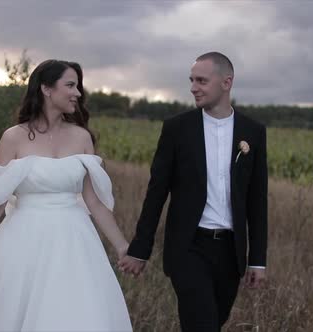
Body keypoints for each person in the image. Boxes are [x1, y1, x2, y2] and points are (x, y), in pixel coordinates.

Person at [0, 59, 133, 331]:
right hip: (23, 239)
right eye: (70, 85)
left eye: (78, 86)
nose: (78, 93)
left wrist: (122, 247)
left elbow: (93, 201)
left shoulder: (82, 137)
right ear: (46, 89)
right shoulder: (13, 138)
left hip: (74, 241)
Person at [118, 52, 268, 331]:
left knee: (213, 321)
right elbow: (156, 192)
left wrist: (257, 260)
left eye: (201, 80)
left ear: (226, 82)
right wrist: (140, 249)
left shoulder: (253, 132)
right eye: (191, 80)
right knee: (201, 324)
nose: (193, 87)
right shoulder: (177, 128)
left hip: (230, 252)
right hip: (188, 247)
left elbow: (257, 201)